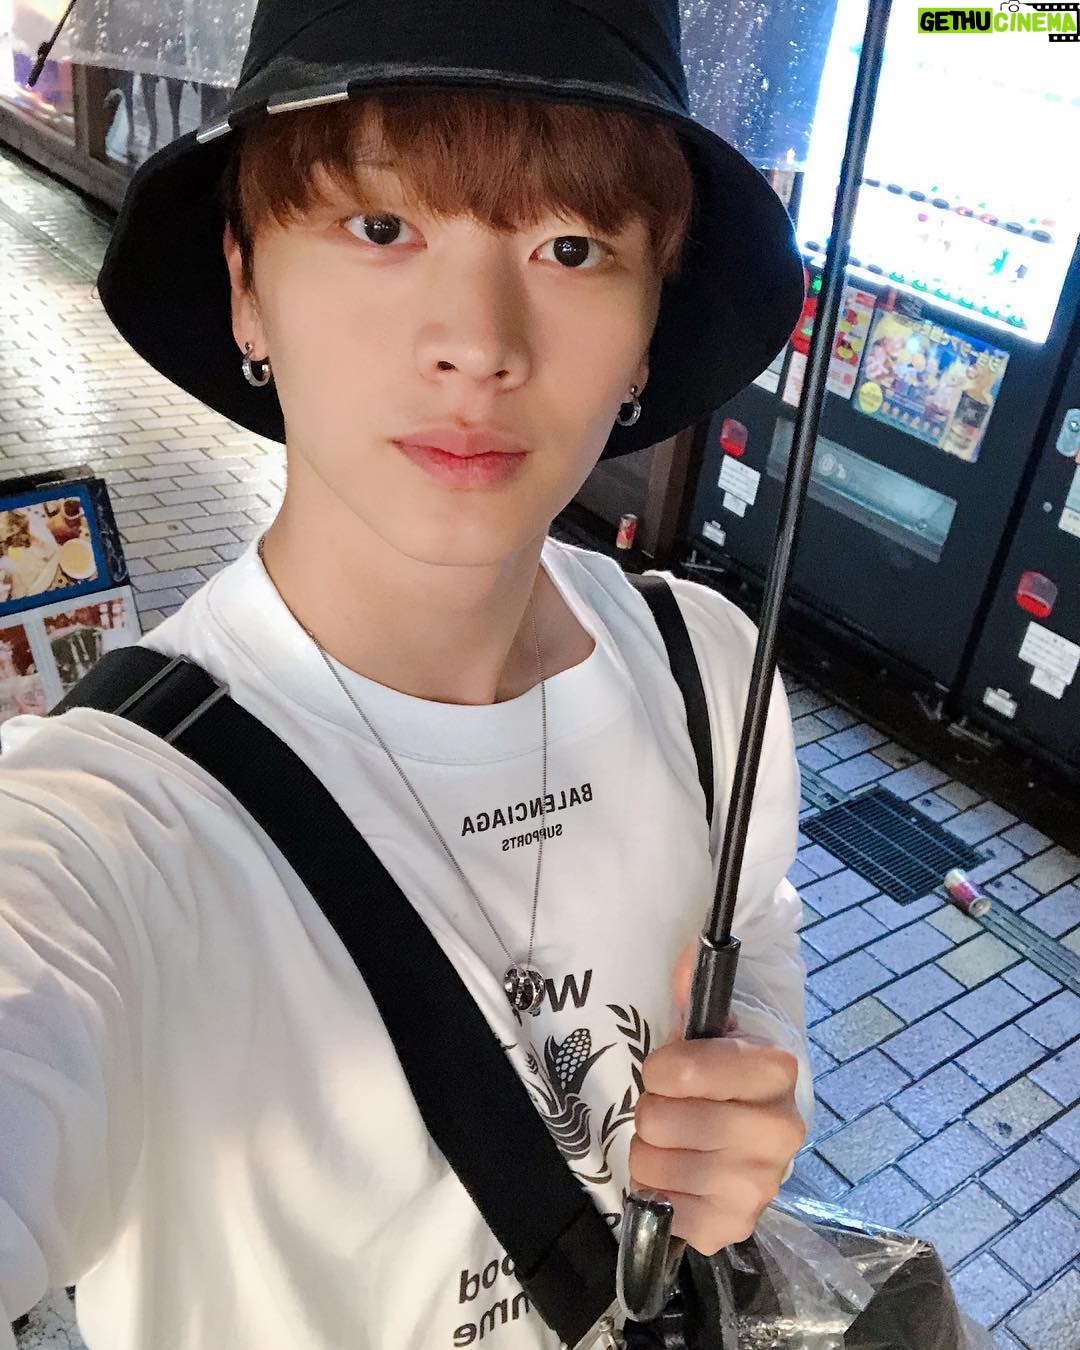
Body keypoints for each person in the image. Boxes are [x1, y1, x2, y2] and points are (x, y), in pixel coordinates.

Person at [0, 3, 811, 1347]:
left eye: (572, 247)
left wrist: (753, 1061)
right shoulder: (104, 830)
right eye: (381, 227)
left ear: (648, 327)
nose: (479, 343)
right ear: (247, 284)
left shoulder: (707, 670)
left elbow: (760, 913)